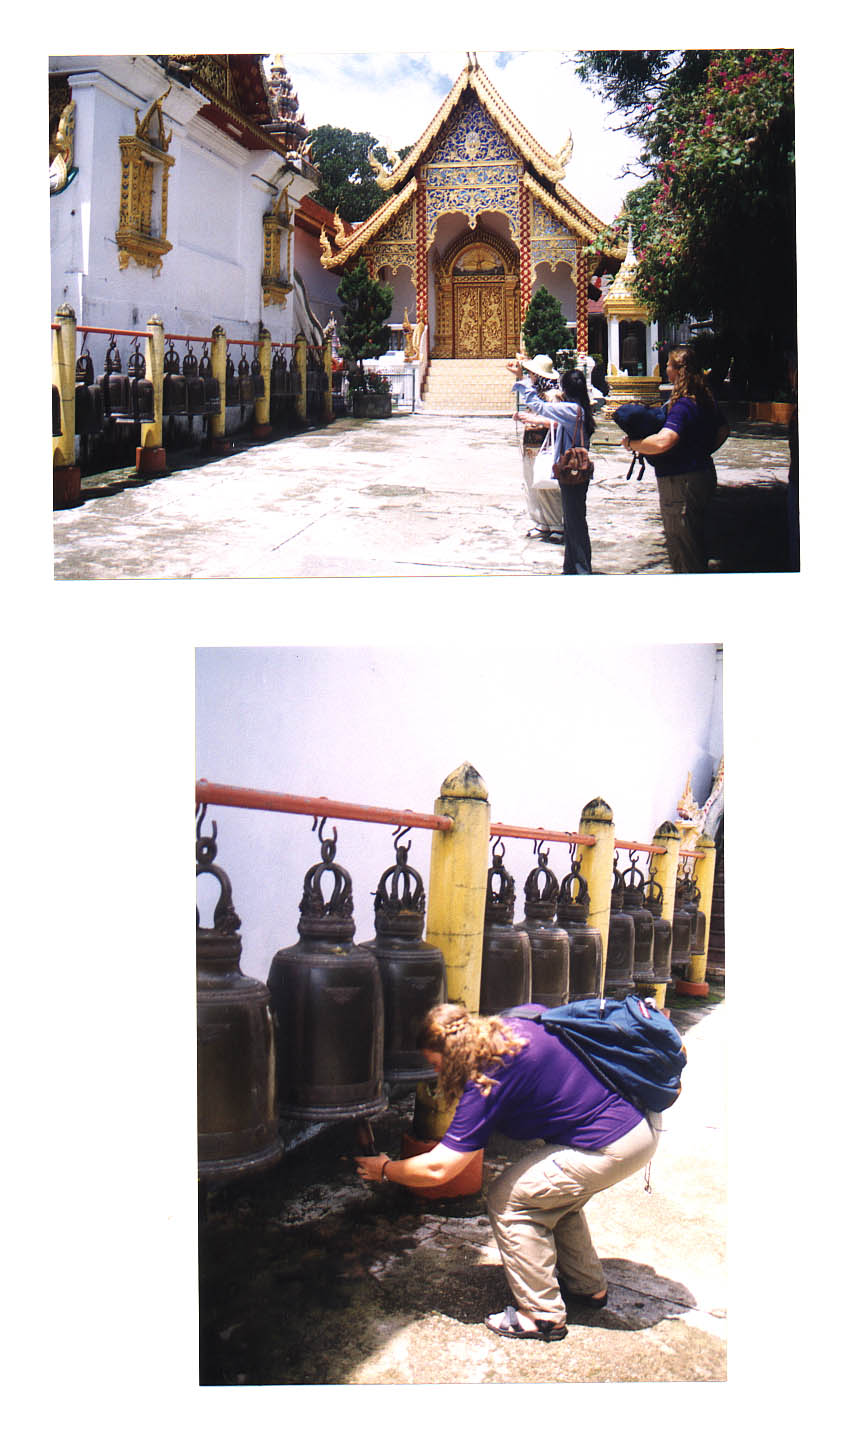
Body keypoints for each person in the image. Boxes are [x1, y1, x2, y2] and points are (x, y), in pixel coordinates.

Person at [355, 1002, 659, 1343]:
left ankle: (542, 1316)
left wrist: (384, 1169)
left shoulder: (487, 1076)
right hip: (637, 1122)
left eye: (435, 1064)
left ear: (451, 1054)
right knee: (554, 1197)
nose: (436, 1073)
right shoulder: (519, 1020)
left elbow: (440, 1167)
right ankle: (588, 1289)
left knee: (510, 1198)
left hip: (612, 1144)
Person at [621, 345, 729, 573]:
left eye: (669, 365)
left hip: (680, 483)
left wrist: (633, 444)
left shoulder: (683, 405)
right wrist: (701, 451)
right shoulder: (705, 399)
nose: (666, 369)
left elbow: (664, 441)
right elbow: (723, 431)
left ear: (678, 371)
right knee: (697, 542)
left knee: (683, 550)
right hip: (703, 474)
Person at [508, 357, 596, 575]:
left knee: (575, 524)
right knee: (574, 521)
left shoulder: (572, 410)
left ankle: (581, 569)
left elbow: (539, 407)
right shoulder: (578, 409)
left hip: (571, 472)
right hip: (572, 471)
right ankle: (571, 568)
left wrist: (522, 381)